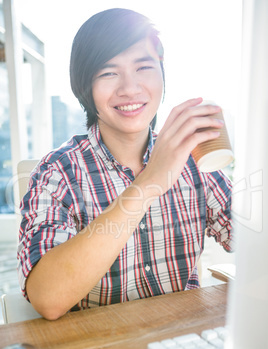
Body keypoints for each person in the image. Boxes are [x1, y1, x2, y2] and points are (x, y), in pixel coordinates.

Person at [17, 8, 233, 320]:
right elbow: (47, 298)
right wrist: (148, 184)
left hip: (186, 344)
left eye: (144, 67)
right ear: (84, 86)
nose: (129, 88)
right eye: (108, 73)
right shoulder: (57, 172)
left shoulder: (193, 158)